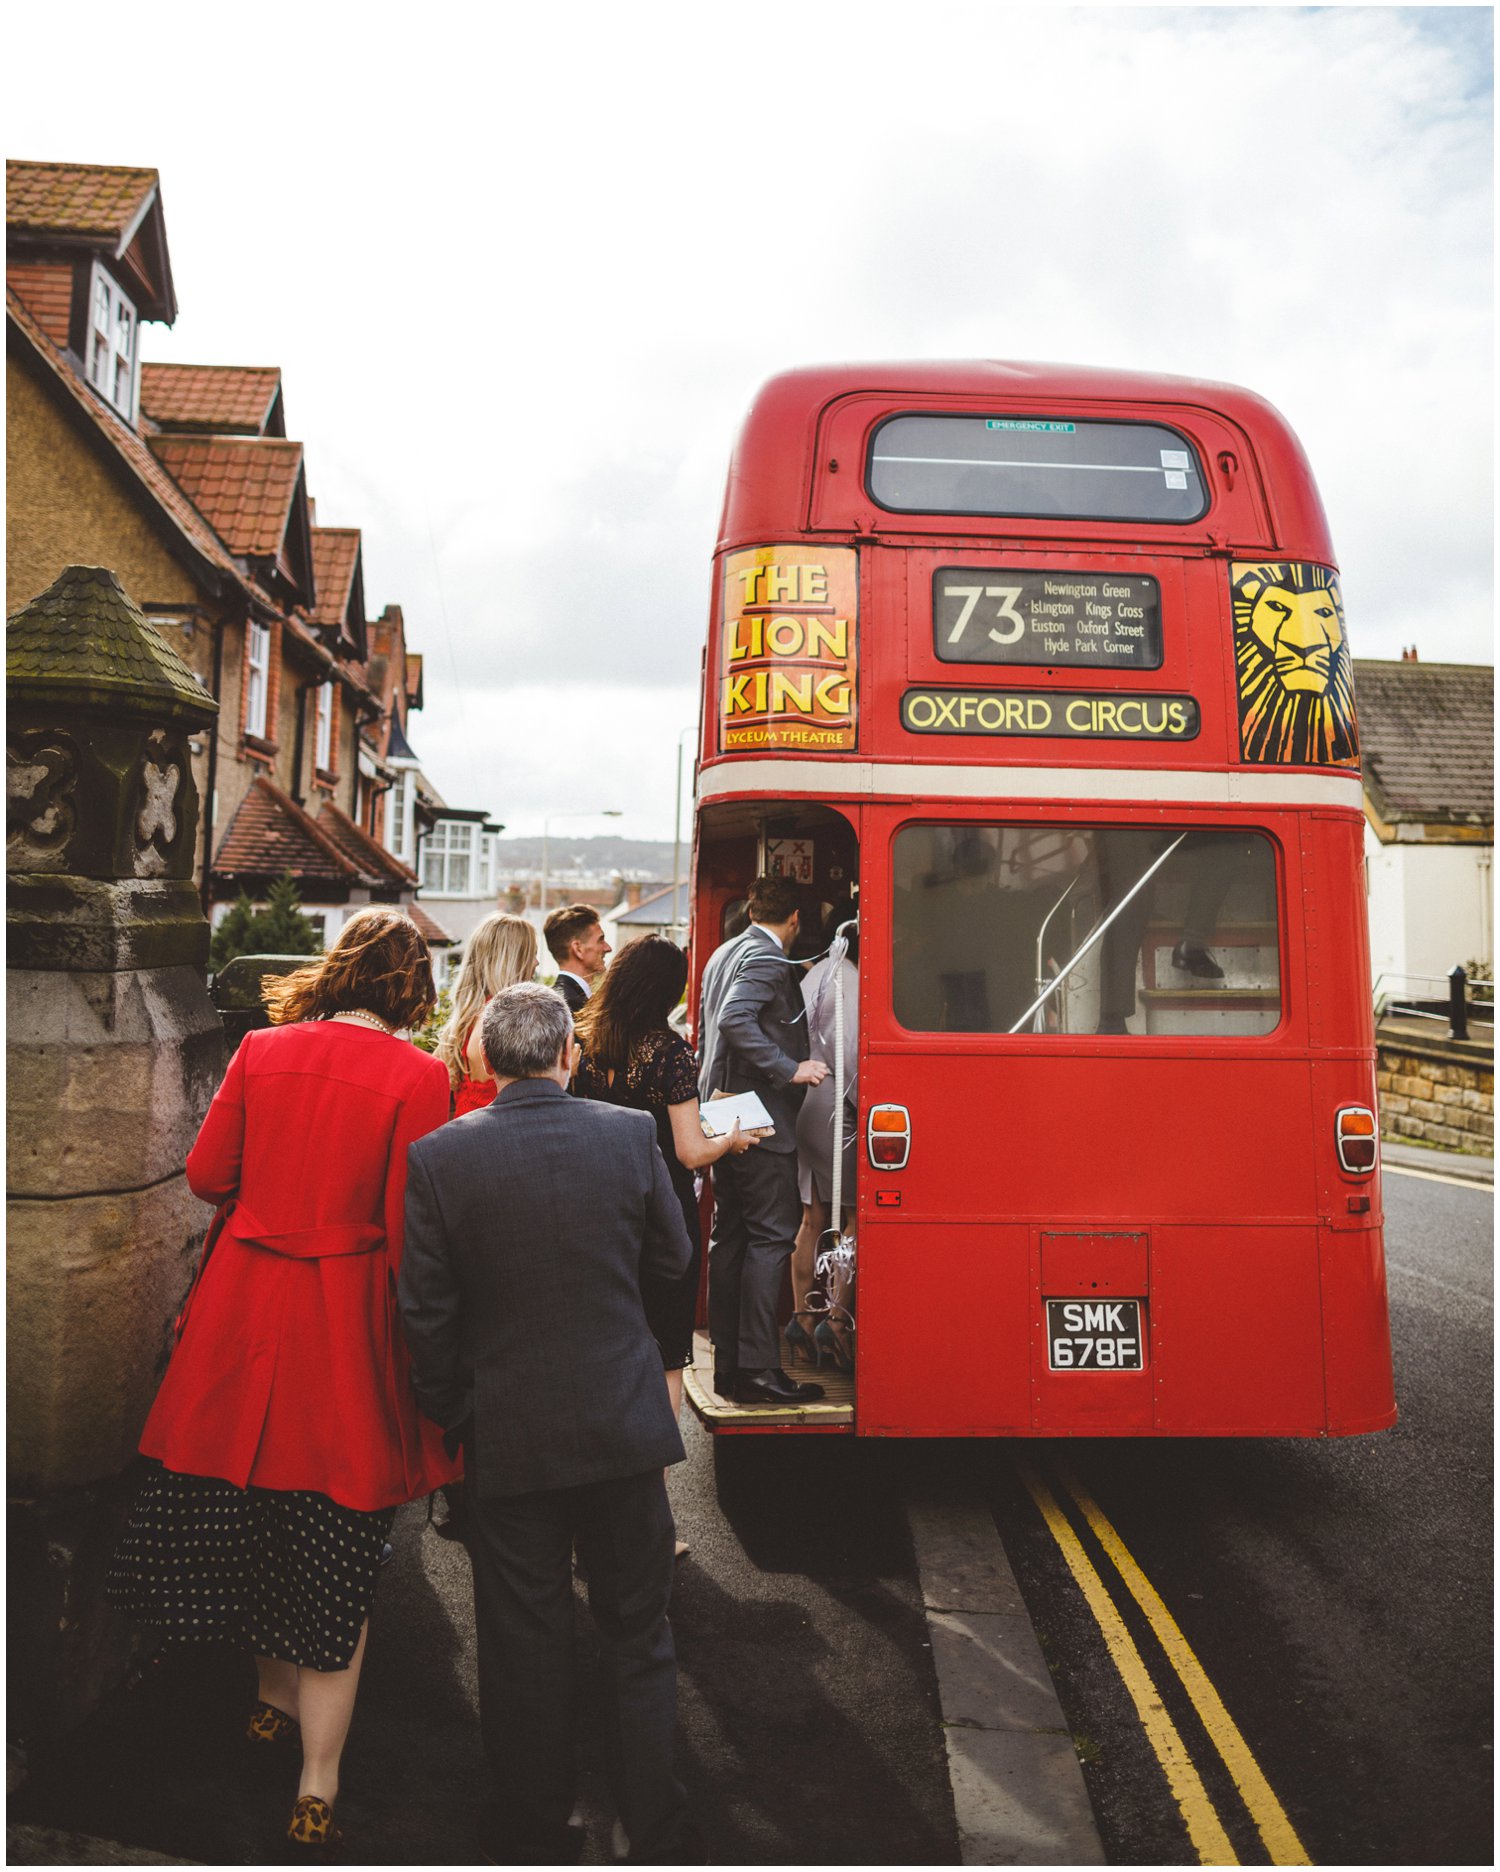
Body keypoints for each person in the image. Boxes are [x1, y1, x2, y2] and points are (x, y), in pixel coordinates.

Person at [106, 907, 461, 1853]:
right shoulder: (423, 1077)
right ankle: (319, 1778)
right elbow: (408, 1231)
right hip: (343, 1328)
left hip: (245, 1313)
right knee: (329, 1546)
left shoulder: (262, 1053)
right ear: (410, 991)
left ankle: (268, 1702)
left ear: (336, 972)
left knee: (254, 1515)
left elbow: (208, 1173)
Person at [399, 983, 698, 1866]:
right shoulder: (627, 1134)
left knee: (523, 1634)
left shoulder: (439, 1157)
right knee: (638, 1627)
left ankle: (533, 1820)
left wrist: (460, 1411)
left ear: (485, 1062)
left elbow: (425, 1313)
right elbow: (674, 1258)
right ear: (568, 1054)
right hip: (620, 1419)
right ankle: (653, 1815)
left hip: (508, 1429)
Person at [572, 934, 758, 1549]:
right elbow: (688, 1150)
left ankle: (596, 1513)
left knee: (604, 1354)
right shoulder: (670, 1052)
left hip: (600, 1211)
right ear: (669, 989)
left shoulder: (590, 1044)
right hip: (661, 1218)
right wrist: (729, 1136)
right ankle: (649, 1521)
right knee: (665, 1358)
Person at [696, 874, 830, 1407]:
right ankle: (757, 1369)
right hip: (759, 1117)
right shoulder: (770, 959)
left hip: (722, 1111)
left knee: (730, 1239)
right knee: (771, 1238)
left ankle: (730, 1367)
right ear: (794, 919)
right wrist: (789, 1068)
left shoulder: (724, 951)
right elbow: (734, 1020)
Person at [791, 903, 859, 1371]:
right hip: (839, 1103)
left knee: (812, 1218)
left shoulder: (813, 975)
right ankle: (835, 1320)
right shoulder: (850, 978)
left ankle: (801, 1316)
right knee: (858, 1220)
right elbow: (852, 1053)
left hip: (809, 1101)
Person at [436, 912, 540, 1115]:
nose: (536, 963)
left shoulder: (473, 1014)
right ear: (512, 961)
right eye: (531, 955)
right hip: (493, 1135)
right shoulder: (501, 1020)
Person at [544, 902, 611, 1013]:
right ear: (578, 949)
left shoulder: (554, 1001)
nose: (608, 948)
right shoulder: (571, 1007)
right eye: (600, 940)